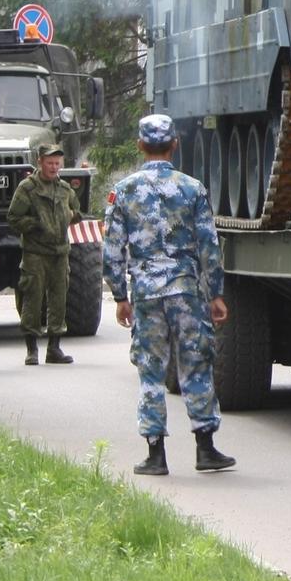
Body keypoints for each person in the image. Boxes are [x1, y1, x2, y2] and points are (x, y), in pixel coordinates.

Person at [102, 113, 235, 475]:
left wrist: (119, 295)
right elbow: (209, 244)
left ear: (140, 146)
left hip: (145, 294)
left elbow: (112, 248)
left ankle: (155, 454)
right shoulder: (192, 188)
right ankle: (205, 448)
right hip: (185, 291)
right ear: (175, 144)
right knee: (196, 363)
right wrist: (216, 293)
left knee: (151, 370)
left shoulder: (125, 190)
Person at [9, 141, 80, 366]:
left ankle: (54, 348)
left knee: (59, 298)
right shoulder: (27, 188)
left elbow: (77, 211)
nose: (54, 167)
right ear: (40, 162)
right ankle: (31, 349)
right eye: (49, 163)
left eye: (57, 163)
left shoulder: (64, 188)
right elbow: (13, 218)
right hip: (35, 253)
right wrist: (36, 224)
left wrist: (70, 216)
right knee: (33, 298)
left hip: (60, 252)